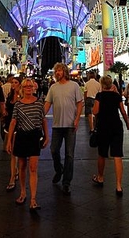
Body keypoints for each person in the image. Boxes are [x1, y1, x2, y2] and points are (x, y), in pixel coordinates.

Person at [5, 78, 48, 211]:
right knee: (22, 166)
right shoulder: (18, 104)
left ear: (34, 88)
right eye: (26, 86)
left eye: (30, 86)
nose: (29, 88)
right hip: (22, 136)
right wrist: (9, 140)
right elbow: (13, 122)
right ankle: (23, 192)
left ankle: (33, 199)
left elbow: (43, 120)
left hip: (34, 136)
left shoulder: (39, 103)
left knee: (33, 167)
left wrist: (47, 135)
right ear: (22, 89)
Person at [44, 62, 83, 195]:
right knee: (54, 150)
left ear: (65, 72)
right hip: (57, 126)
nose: (57, 73)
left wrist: (77, 118)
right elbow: (47, 104)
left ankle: (67, 182)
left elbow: (79, 103)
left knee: (69, 155)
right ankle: (59, 169)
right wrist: (39, 116)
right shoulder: (53, 87)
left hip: (70, 126)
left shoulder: (74, 86)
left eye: (59, 71)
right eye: (56, 71)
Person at [92, 75, 129, 195]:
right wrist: (128, 123)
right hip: (116, 127)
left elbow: (95, 111)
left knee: (102, 154)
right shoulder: (116, 96)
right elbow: (123, 111)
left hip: (104, 127)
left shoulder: (100, 96)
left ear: (102, 85)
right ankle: (119, 186)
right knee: (117, 155)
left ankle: (100, 177)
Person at [3, 76, 21, 191]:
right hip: (9, 124)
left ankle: (14, 175)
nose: (13, 84)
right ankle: (14, 174)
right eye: (12, 82)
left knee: (16, 151)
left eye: (15, 82)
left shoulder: (22, 97)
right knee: (12, 151)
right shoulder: (10, 95)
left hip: (19, 126)